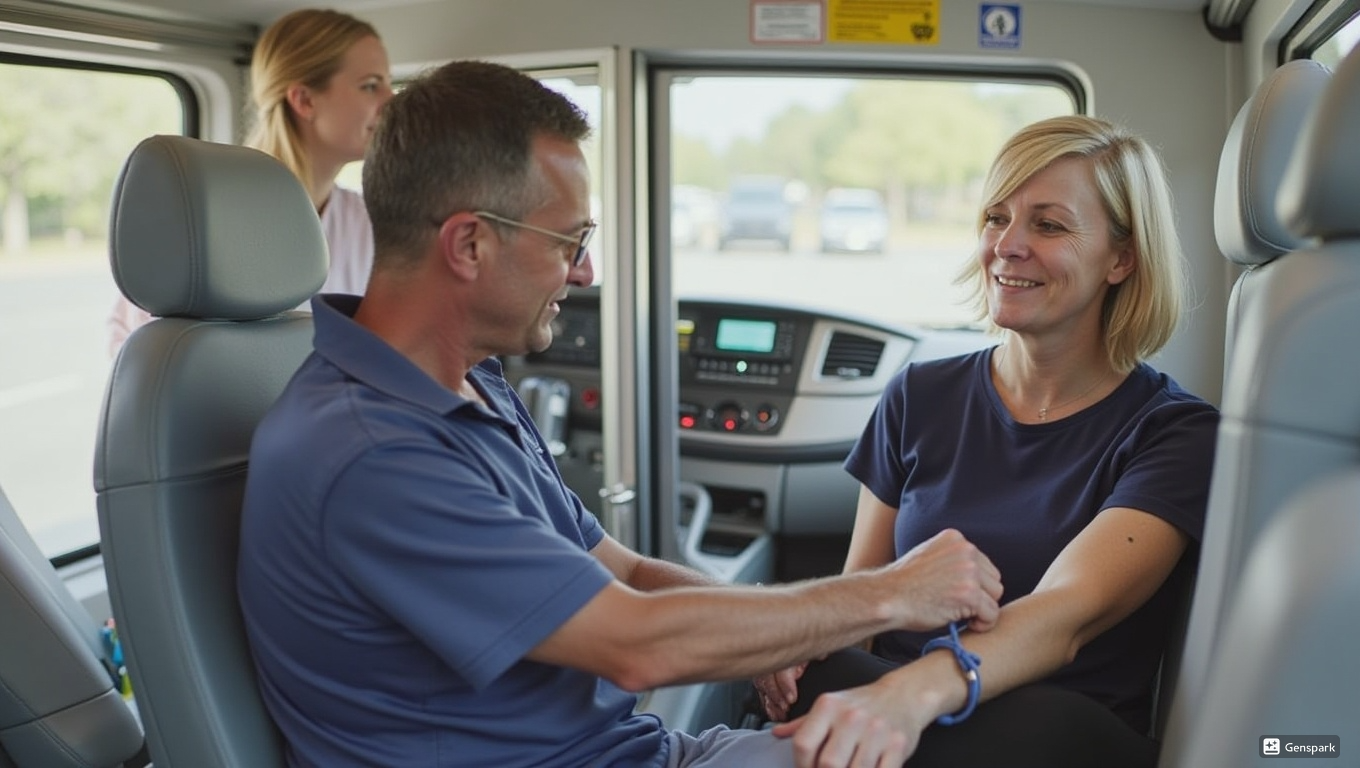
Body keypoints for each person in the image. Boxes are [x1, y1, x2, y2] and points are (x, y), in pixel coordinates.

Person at [236, 60, 1004, 768]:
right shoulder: (371, 451)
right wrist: (892, 591)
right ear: (468, 244)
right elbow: (636, 647)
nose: (585, 270)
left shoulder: (469, 384)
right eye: (569, 239)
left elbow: (627, 573)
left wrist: (766, 632)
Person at [754, 115, 1220, 767]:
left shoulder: (1175, 433)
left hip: (1044, 732)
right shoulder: (919, 394)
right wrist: (803, 637)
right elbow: (862, 589)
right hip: (892, 711)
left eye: (1048, 224)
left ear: (1123, 257)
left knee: (1034, 723)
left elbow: (1064, 617)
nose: (1007, 245)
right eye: (996, 217)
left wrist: (907, 695)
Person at [106, 8, 392, 353]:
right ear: (304, 100)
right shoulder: (206, 217)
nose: (390, 101)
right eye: (371, 86)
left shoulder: (369, 222)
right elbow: (141, 350)